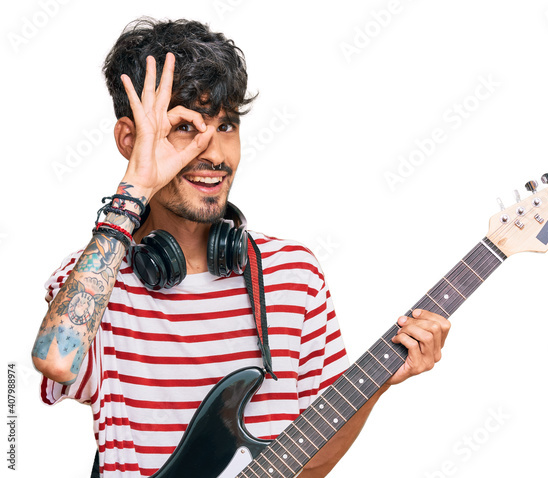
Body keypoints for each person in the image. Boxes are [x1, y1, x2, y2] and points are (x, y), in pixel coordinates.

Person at [30, 18, 450, 478]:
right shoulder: (94, 281)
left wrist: (376, 384)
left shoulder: (293, 275)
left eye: (226, 124)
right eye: (185, 127)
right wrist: (135, 185)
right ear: (129, 140)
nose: (215, 153)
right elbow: (56, 359)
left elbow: (307, 466)